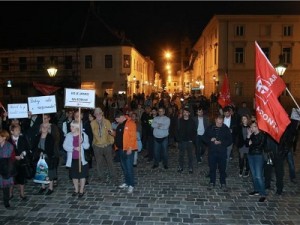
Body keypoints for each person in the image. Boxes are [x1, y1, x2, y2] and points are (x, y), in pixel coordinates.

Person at [203, 115, 232, 191]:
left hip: (222, 151)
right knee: (212, 168)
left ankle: (223, 183)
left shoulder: (225, 128)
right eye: (218, 123)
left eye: (221, 123)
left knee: (222, 168)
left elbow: (230, 140)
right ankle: (212, 182)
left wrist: (221, 142)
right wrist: (210, 140)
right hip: (212, 151)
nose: (219, 124)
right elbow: (204, 138)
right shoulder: (210, 128)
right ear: (215, 120)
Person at [112, 111, 137, 194]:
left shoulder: (131, 124)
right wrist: (113, 133)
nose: (116, 121)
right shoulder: (120, 124)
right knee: (124, 167)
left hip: (128, 149)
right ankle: (127, 182)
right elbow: (120, 135)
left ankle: (131, 185)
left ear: (122, 117)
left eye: (117, 119)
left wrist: (130, 148)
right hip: (120, 149)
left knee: (129, 168)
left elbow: (133, 137)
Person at [63, 120, 90, 197]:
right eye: (71, 126)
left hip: (81, 159)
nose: (70, 128)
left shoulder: (83, 135)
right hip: (72, 159)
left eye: (72, 126)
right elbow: (65, 146)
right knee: (74, 175)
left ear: (77, 127)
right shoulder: (68, 135)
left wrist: (82, 142)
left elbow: (87, 146)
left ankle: (81, 189)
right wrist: (74, 148)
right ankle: (76, 189)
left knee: (82, 175)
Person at [90, 107, 116, 183]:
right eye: (96, 113)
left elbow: (110, 132)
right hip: (97, 146)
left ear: (102, 113)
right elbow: (93, 134)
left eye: (99, 113)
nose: (98, 114)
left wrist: (111, 142)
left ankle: (113, 175)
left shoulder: (107, 122)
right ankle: (101, 176)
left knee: (110, 161)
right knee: (99, 162)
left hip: (107, 145)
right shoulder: (92, 123)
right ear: (94, 115)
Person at [245, 121, 267, 202]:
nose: (252, 128)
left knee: (258, 175)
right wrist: (248, 136)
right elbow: (247, 144)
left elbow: (260, 145)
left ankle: (263, 193)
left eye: (253, 126)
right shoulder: (251, 135)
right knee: (254, 175)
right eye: (251, 127)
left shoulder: (262, 135)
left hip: (258, 156)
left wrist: (251, 143)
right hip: (250, 155)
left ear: (257, 127)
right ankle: (256, 190)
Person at [32, 123, 56, 195]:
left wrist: (44, 153)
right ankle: (43, 187)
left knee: (49, 173)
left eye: (46, 127)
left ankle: (50, 188)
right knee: (41, 172)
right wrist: (38, 152)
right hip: (39, 157)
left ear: (48, 128)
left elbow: (51, 148)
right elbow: (34, 146)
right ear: (41, 128)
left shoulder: (50, 137)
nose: (44, 128)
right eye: (43, 127)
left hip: (48, 157)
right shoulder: (37, 136)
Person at [8, 124, 31, 200]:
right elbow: (6, 151)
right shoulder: (8, 140)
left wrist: (22, 155)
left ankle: (22, 193)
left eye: (19, 130)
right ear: (12, 131)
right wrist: (14, 157)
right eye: (17, 130)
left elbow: (27, 148)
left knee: (22, 178)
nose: (19, 131)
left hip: (21, 161)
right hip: (11, 162)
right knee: (11, 178)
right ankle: (10, 193)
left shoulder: (22, 138)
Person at [176, 107, 197, 174]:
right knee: (181, 155)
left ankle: (190, 167)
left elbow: (194, 131)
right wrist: (178, 139)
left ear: (189, 113)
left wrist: (192, 140)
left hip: (189, 141)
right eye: (184, 112)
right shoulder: (179, 121)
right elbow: (176, 131)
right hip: (182, 141)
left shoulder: (192, 121)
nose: (185, 113)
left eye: (186, 112)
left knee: (190, 155)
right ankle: (180, 166)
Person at [0, 130, 16, 208]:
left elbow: (11, 157)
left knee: (5, 186)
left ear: (4, 137)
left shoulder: (9, 146)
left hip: (6, 167)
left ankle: (6, 201)